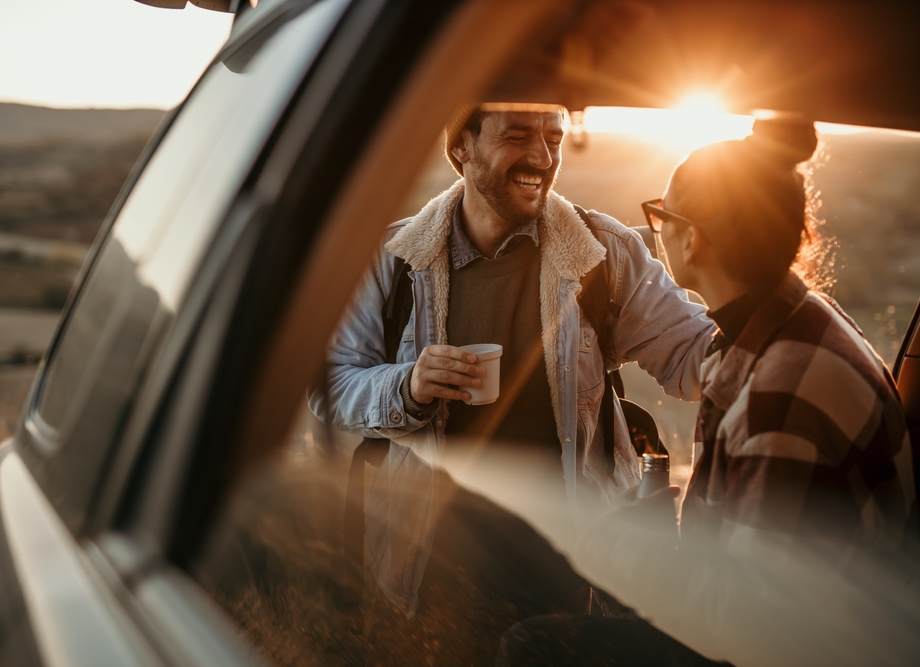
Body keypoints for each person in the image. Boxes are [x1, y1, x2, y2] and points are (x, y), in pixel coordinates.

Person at [310, 102, 713, 648]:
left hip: (572, 579)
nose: (542, 156)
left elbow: (696, 355)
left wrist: (786, 332)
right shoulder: (395, 261)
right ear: (461, 148)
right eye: (518, 135)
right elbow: (330, 386)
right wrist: (407, 387)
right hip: (426, 578)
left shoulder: (603, 253)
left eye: (554, 137)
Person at [564, 120, 920, 666]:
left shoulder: (782, 399)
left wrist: (631, 551)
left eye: (661, 218)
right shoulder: (797, 319)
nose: (653, 232)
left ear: (693, 237)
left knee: (535, 645)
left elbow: (748, 627)